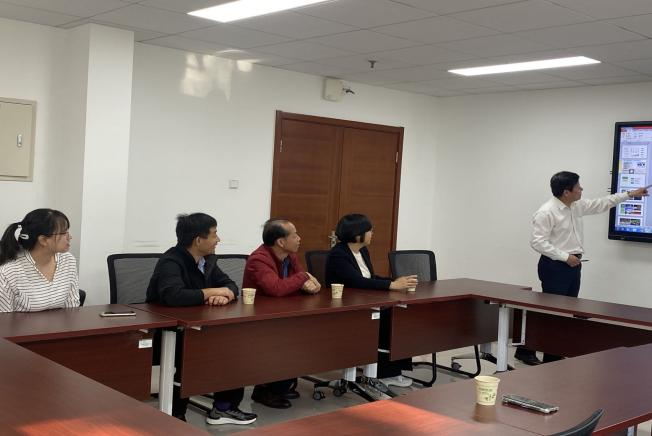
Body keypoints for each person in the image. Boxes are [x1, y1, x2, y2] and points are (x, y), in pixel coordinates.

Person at [515, 171, 649, 365]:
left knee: (565, 311)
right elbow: (537, 242)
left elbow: (602, 203)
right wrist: (565, 257)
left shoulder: (575, 205)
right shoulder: (547, 212)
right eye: (578, 187)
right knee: (554, 312)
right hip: (555, 266)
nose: (582, 189)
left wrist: (630, 194)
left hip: (573, 265)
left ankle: (547, 354)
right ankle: (537, 353)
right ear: (566, 192)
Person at [146, 213, 257, 425]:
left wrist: (225, 295)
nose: (218, 239)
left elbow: (231, 285)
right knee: (192, 354)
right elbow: (173, 295)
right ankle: (176, 416)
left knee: (237, 344)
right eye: (214, 234)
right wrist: (212, 292)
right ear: (198, 240)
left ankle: (224, 408)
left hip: (201, 326)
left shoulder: (208, 260)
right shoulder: (171, 261)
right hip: (170, 331)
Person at [325, 213, 418, 389]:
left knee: (400, 313)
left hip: (366, 302)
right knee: (388, 318)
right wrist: (391, 285)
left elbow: (370, 278)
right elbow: (357, 282)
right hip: (347, 307)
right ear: (357, 233)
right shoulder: (338, 254)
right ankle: (384, 373)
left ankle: (392, 370)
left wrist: (397, 282)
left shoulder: (362, 251)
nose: (372, 234)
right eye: (369, 230)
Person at [242, 218, 320, 409]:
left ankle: (281, 384)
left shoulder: (290, 256)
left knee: (305, 336)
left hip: (284, 313)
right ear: (281, 242)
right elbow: (276, 288)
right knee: (286, 342)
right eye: (294, 235)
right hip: (259, 318)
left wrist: (307, 282)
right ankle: (265, 390)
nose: (299, 238)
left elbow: (306, 284)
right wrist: (304, 277)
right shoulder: (259, 259)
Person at [0, 208, 79, 312]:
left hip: (60, 323)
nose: (70, 237)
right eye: (64, 233)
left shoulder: (68, 261)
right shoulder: (9, 272)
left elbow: (72, 308)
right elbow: (4, 318)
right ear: (43, 240)